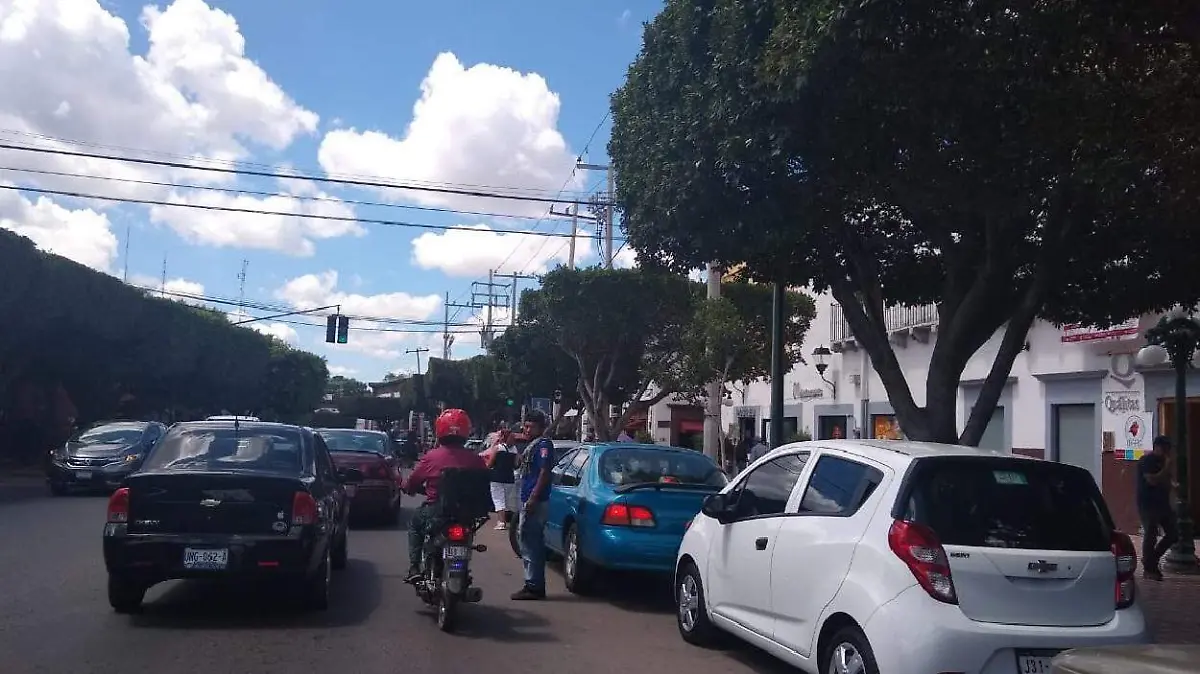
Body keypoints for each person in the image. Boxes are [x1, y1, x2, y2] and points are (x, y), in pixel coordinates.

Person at [401, 408, 487, 583]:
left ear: (440, 430)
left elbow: (412, 483)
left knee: (415, 525)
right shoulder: (476, 460)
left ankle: (414, 567)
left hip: (437, 513)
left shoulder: (432, 457)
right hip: (467, 516)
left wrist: (405, 486)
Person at [512, 410, 553, 600]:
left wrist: (533, 499)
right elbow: (518, 465)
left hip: (534, 502)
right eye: (525, 426)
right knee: (526, 542)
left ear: (540, 428)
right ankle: (532, 583)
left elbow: (544, 474)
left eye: (531, 426)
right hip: (526, 499)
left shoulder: (544, 445)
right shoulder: (531, 446)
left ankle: (534, 586)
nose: (526, 430)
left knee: (531, 544)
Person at [1137, 435, 1179, 581]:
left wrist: (1173, 486)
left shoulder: (1163, 461)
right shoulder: (1146, 461)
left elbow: (1166, 481)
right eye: (1166, 448)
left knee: (1173, 534)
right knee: (1151, 533)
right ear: (1158, 447)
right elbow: (1152, 480)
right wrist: (1166, 469)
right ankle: (1150, 568)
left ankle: (1151, 560)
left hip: (1163, 504)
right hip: (1148, 503)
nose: (1168, 452)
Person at [485, 425, 518, 530]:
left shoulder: (498, 448)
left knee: (498, 500)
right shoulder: (515, 450)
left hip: (497, 477)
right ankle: (506, 520)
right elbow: (516, 464)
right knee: (506, 500)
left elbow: (490, 463)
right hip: (509, 478)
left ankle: (501, 522)